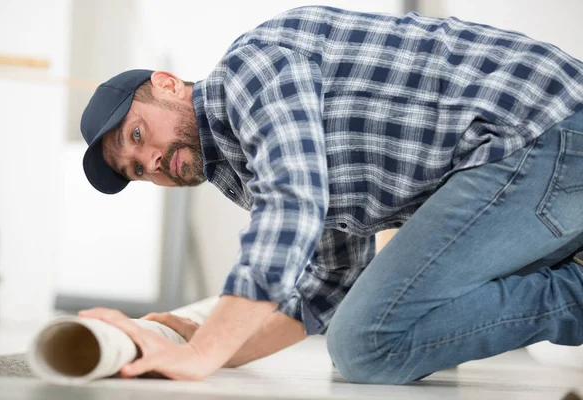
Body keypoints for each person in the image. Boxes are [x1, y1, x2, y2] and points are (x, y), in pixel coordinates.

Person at [78, 6, 583, 384]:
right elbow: (327, 286)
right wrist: (196, 340)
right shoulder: (242, 171)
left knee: (367, 343)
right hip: (531, 156)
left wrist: (200, 353)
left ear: (167, 85)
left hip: (541, 129)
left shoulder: (247, 72)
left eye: (138, 136)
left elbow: (294, 201)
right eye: (137, 171)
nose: (150, 163)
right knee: (365, 341)